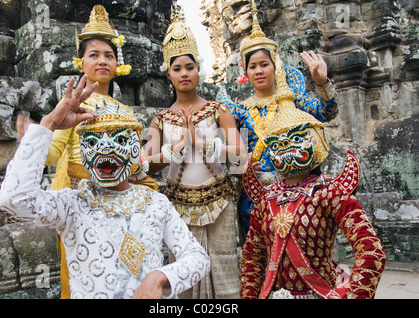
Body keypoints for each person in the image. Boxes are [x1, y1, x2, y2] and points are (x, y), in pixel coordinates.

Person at [0, 74, 210, 299]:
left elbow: (198, 258)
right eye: (92, 142)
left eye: (119, 140)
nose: (105, 148)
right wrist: (49, 123)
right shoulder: (72, 204)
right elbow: (13, 199)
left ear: (136, 151)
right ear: (84, 155)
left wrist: (159, 277)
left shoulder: (155, 202)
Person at [239, 62, 386, 299]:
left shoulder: (329, 192)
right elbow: (252, 259)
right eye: (276, 145)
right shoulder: (267, 199)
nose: (285, 149)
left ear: (315, 141)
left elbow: (371, 250)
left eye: (295, 139)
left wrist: (354, 295)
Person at [39, 5, 157, 298]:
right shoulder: (73, 106)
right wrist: (39, 134)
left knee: (126, 274)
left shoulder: (125, 111)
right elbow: (52, 155)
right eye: (94, 55)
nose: (102, 60)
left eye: (109, 55)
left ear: (119, 64)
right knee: (87, 275)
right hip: (83, 203)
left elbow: (135, 161)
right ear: (81, 63)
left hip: (123, 201)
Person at [145, 6, 246, 299]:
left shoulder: (218, 111)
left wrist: (200, 143)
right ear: (168, 74)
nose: (184, 73)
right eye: (177, 68)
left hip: (220, 202)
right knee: (184, 273)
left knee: (226, 268)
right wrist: (179, 146)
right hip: (179, 207)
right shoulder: (160, 118)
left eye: (189, 67)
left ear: (198, 69)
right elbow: (148, 166)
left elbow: (241, 156)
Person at [216, 0, 339, 239]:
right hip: (257, 194)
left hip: (299, 188)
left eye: (264, 64)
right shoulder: (239, 111)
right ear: (246, 73)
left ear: (276, 67)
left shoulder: (293, 100)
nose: (259, 71)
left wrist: (322, 83)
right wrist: (241, 163)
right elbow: (236, 158)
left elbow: (328, 113)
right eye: (253, 67)